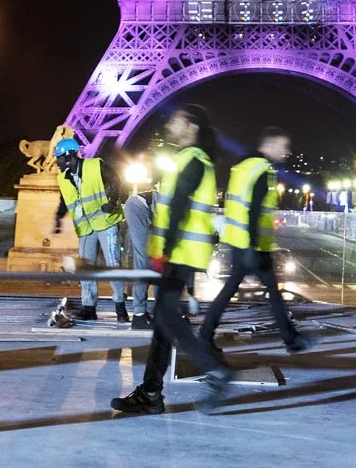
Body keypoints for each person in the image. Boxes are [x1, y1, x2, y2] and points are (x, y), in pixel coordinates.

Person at [110, 104, 231, 414]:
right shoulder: (191, 159)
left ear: (191, 127)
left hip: (179, 254)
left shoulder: (192, 160)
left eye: (178, 120)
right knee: (164, 323)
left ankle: (214, 370)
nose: (171, 123)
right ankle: (151, 392)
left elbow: (177, 208)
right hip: (183, 253)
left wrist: (164, 251)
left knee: (168, 319)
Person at [199, 126, 309, 353]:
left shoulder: (242, 166)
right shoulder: (262, 169)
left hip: (238, 240)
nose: (286, 151)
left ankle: (206, 333)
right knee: (269, 291)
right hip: (252, 245)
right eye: (282, 146)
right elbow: (254, 210)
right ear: (269, 145)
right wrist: (250, 246)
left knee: (240, 288)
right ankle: (291, 339)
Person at [51, 137, 128, 323]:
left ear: (69, 157)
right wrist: (58, 218)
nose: (56, 162)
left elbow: (116, 181)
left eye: (59, 158)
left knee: (113, 264)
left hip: (106, 221)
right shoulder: (63, 178)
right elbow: (65, 201)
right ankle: (89, 307)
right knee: (85, 267)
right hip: (85, 227)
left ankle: (120, 307)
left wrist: (112, 201)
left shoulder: (96, 166)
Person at [123, 185, 153, 328]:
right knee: (143, 260)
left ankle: (143, 313)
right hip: (137, 207)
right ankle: (139, 316)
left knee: (149, 260)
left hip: (141, 206)